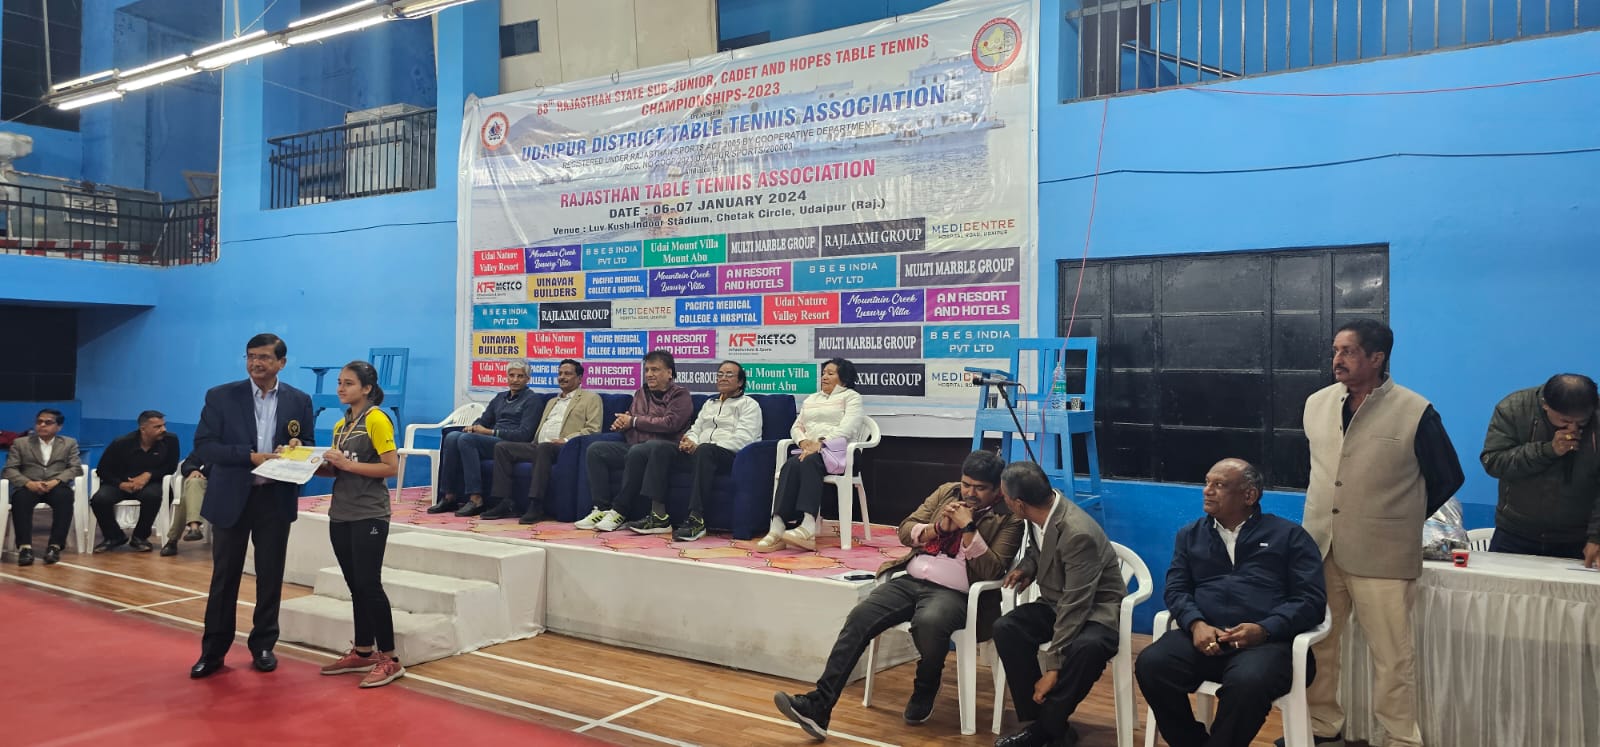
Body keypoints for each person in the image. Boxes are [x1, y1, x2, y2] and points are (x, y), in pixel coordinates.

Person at [774, 451, 1022, 740]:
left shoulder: (1008, 517)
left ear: (996, 489)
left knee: (929, 623)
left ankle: (926, 686)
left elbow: (992, 569)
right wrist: (938, 528)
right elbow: (905, 530)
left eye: (979, 488)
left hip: (956, 593)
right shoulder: (947, 492)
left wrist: (968, 528)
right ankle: (819, 705)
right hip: (911, 580)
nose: (969, 493)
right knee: (860, 617)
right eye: (966, 484)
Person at [1299, 319, 1463, 747]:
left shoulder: (1415, 411)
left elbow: (1448, 477)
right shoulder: (1316, 403)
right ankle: (1322, 725)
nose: (1337, 359)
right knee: (1320, 645)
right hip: (1321, 546)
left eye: (1348, 351)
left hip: (1384, 555)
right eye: (1335, 350)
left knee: (1391, 655)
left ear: (1377, 358)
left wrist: (1399, 517)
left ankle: (1399, 737)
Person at [1136, 459, 1327, 747]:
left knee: (1248, 684)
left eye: (1220, 485)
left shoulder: (1288, 536)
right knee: (1152, 665)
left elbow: (1311, 600)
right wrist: (1196, 624)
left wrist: (1265, 629)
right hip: (1205, 638)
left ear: (1249, 495)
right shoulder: (1190, 535)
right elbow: (1176, 589)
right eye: (1207, 482)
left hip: (1267, 644)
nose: (1207, 490)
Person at [189, 333, 315, 679]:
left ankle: (263, 646)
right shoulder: (221, 396)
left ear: (281, 363)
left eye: (264, 357)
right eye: (250, 356)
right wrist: (249, 457)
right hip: (231, 497)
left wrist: (297, 446)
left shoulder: (299, 400)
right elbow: (204, 446)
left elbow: (306, 441)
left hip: (275, 498)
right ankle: (213, 652)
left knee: (270, 576)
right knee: (224, 577)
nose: (256, 363)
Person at [992, 461, 1126, 747]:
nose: (1003, 501)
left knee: (1087, 649)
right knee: (1007, 628)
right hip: (1056, 603)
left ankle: (1042, 730)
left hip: (1095, 609)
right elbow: (1038, 548)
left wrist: (1053, 669)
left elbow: (1076, 605)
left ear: (1018, 504)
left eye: (1004, 497)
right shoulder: (1039, 511)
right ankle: (1048, 723)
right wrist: (1028, 567)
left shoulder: (1077, 533)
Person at [316, 360, 406, 688]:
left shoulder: (377, 419)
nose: (341, 388)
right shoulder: (342, 424)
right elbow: (338, 469)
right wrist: (306, 463)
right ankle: (363, 651)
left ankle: (390, 659)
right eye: (339, 382)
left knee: (369, 584)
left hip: (369, 513)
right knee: (355, 585)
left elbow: (391, 468)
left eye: (349, 383)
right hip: (341, 512)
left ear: (367, 388)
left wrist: (347, 465)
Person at [624, 360, 761, 542]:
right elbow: (695, 429)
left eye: (729, 375)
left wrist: (705, 445)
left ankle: (697, 520)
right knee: (660, 448)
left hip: (730, 456)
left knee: (705, 450)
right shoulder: (710, 403)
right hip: (701, 453)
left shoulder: (749, 405)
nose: (723, 378)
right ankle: (658, 516)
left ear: (740, 382)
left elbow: (744, 439)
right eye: (720, 374)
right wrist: (689, 441)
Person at [1480, 373, 1600, 564]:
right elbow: (1494, 462)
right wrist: (1548, 450)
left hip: (1577, 538)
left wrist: (1596, 536)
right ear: (1545, 405)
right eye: (1564, 421)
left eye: (1582, 422)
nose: (1573, 429)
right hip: (1515, 533)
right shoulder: (1514, 409)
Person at [575, 350, 693, 532]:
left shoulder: (680, 395)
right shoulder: (640, 393)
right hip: (635, 447)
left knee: (638, 451)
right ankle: (602, 508)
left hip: (664, 450)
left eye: (655, 370)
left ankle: (620, 511)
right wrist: (623, 424)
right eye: (647, 370)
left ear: (669, 373)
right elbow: (633, 418)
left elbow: (671, 423)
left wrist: (634, 421)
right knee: (596, 449)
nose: (649, 374)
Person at [756, 358, 864, 552]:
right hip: (811, 452)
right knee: (791, 464)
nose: (824, 377)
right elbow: (797, 426)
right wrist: (803, 442)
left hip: (841, 454)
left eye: (830, 373)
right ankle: (777, 527)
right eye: (823, 373)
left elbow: (849, 427)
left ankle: (808, 527)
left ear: (844, 378)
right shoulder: (811, 399)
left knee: (810, 461)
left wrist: (821, 443)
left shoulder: (852, 397)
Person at [481, 359, 602, 523]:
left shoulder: (591, 398)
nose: (562, 377)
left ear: (580, 378)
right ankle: (503, 502)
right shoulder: (552, 401)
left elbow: (594, 429)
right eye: (560, 373)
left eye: (567, 374)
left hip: (565, 448)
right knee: (502, 447)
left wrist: (566, 439)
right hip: (538, 446)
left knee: (544, 448)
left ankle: (536, 505)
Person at [427, 360, 541, 517]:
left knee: (466, 440)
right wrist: (474, 427)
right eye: (511, 375)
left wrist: (490, 432)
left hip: (511, 444)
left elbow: (524, 434)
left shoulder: (532, 400)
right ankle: (449, 496)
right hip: (491, 439)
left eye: (520, 376)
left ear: (528, 379)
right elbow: (483, 420)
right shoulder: (500, 397)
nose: (515, 380)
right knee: (452, 437)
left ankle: (476, 499)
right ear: (507, 377)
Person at [90, 410, 179, 553]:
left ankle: (140, 537)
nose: (163, 429)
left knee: (153, 496)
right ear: (143, 429)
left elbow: (170, 467)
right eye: (158, 427)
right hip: (121, 483)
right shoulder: (121, 443)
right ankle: (114, 536)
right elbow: (102, 470)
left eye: (164, 425)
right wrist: (121, 484)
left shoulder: (171, 440)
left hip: (152, 482)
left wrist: (148, 475)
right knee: (99, 499)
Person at [3, 409, 82, 566]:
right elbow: (9, 469)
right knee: (20, 499)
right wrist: (28, 483)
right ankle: (25, 548)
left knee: (65, 497)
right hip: (29, 485)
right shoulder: (21, 443)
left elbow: (75, 468)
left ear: (59, 427)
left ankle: (55, 546)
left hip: (55, 485)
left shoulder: (69, 443)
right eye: (39, 422)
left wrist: (56, 481)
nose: (42, 425)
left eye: (48, 422)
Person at [160, 452, 209, 556]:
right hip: (206, 485)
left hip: (229, 486)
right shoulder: (208, 447)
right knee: (194, 482)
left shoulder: (237, 447)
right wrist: (193, 470)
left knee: (186, 498)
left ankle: (172, 540)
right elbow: (188, 463)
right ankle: (194, 528)